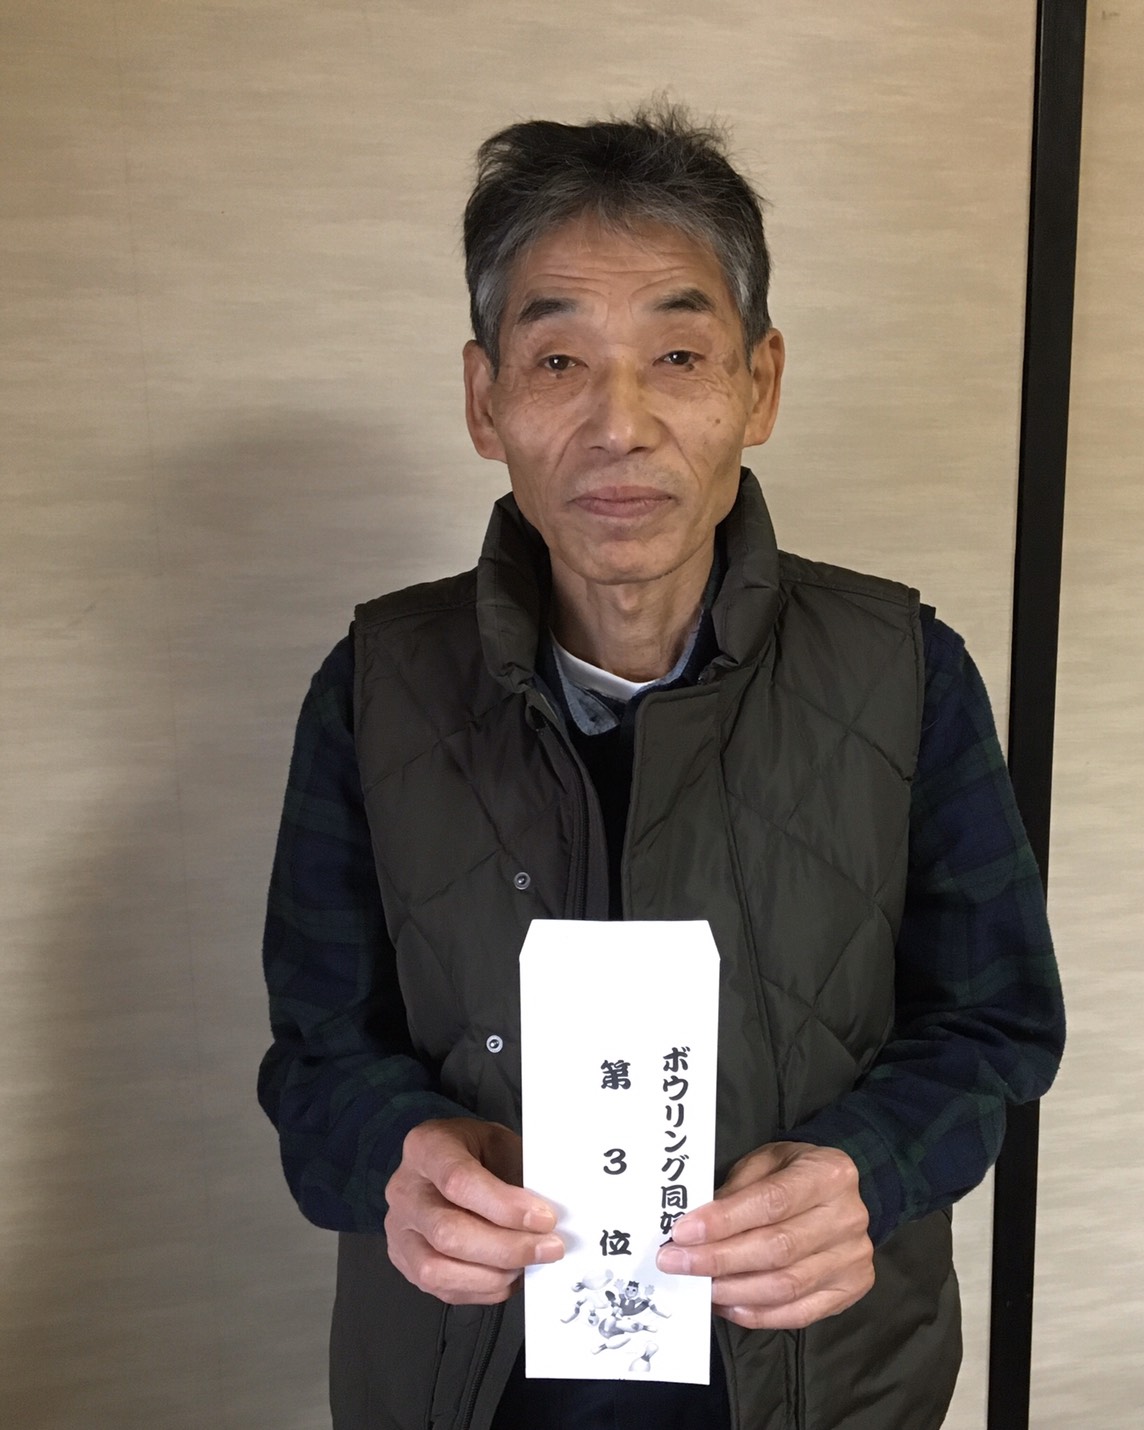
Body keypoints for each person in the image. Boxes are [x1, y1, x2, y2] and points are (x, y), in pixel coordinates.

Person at [258, 105, 1065, 1430]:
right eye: (558, 358)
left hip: (824, 1382)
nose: (619, 423)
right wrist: (399, 1156)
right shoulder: (377, 687)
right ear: (485, 399)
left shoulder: (906, 673)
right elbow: (314, 1058)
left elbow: (995, 1028)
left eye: (678, 354)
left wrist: (869, 1168)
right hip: (464, 1388)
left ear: (761, 385)